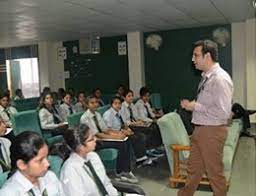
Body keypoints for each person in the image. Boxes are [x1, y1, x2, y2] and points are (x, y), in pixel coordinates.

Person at [178, 40, 233, 196]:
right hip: (201, 130)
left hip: (212, 132)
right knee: (193, 170)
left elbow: (223, 112)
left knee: (215, 174)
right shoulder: (207, 77)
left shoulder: (220, 79)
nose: (193, 59)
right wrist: (193, 105)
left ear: (207, 56)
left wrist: (195, 107)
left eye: (196, 55)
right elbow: (209, 103)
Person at [80, 95, 138, 183]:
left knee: (126, 139)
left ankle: (126, 170)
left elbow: (105, 129)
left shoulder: (97, 114)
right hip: (95, 141)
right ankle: (119, 172)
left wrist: (119, 133)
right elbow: (98, 134)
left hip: (102, 138)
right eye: (92, 103)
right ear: (87, 105)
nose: (95, 104)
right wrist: (115, 137)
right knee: (120, 143)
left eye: (96, 102)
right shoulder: (85, 118)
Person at [60, 124, 119, 196]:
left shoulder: (93, 156)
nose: (95, 139)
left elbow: (106, 183)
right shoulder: (70, 169)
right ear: (81, 146)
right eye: (91, 139)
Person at [0, 131, 65, 195]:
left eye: (46, 157)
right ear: (21, 165)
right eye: (40, 160)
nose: (47, 164)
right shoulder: (9, 193)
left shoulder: (50, 177)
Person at [103, 96, 155, 167]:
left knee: (140, 135)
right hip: (114, 134)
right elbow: (108, 130)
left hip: (121, 131)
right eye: (116, 103)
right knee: (136, 138)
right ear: (111, 105)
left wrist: (128, 130)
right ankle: (140, 159)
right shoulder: (108, 114)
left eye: (119, 104)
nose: (118, 105)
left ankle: (141, 157)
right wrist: (121, 132)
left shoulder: (119, 112)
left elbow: (124, 124)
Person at [120, 89, 163, 155]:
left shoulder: (132, 105)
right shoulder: (122, 107)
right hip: (129, 126)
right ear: (124, 97)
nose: (131, 98)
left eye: (132, 96)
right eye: (129, 96)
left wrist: (141, 122)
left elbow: (136, 117)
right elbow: (125, 122)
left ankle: (153, 148)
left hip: (136, 123)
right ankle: (148, 150)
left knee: (153, 127)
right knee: (149, 129)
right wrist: (136, 123)